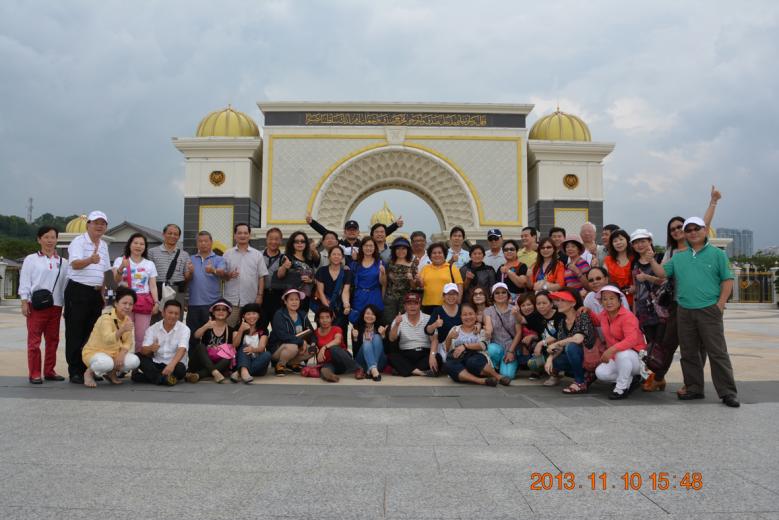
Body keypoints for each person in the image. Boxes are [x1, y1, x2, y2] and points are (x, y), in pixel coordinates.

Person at [648, 215, 739, 407]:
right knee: (688, 352)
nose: (692, 233)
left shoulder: (717, 254)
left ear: (705, 230)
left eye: (696, 228)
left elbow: (727, 279)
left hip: (709, 309)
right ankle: (694, 387)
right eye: (688, 230)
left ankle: (727, 392)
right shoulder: (679, 256)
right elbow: (663, 273)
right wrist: (651, 260)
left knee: (717, 352)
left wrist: (720, 304)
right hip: (684, 310)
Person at [643, 187, 720, 392]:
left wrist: (713, 201)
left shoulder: (698, 245)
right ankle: (659, 376)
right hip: (677, 304)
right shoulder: (671, 251)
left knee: (699, 346)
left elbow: (705, 223)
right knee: (669, 342)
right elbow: (662, 276)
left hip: (702, 302)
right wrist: (650, 271)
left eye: (680, 227)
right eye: (673, 229)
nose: (677, 230)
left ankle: (693, 383)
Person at [65, 210, 111, 384]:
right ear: (88, 225)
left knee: (92, 333)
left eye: (103, 223)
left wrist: (106, 293)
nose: (99, 226)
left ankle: (89, 370)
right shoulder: (79, 241)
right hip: (78, 290)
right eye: (96, 222)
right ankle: (75, 371)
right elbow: (75, 264)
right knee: (75, 331)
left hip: (96, 293)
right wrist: (90, 260)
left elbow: (106, 271)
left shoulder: (104, 245)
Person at [19, 225, 69, 383]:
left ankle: (49, 371)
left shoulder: (63, 262)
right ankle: (34, 373)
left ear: (57, 240)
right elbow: (25, 281)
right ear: (39, 239)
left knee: (53, 340)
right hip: (36, 306)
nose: (49, 240)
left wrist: (66, 305)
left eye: (53, 237)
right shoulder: (31, 259)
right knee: (34, 341)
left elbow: (65, 286)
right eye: (46, 237)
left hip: (56, 305)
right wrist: (24, 301)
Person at [80, 286, 141, 388]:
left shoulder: (127, 320)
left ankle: (111, 373)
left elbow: (128, 342)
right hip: (96, 352)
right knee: (105, 363)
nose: (127, 307)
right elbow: (108, 339)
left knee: (134, 361)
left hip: (114, 353)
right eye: (124, 303)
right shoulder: (106, 318)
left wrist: (122, 354)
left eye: (130, 304)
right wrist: (122, 330)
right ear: (116, 303)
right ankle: (89, 373)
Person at [594, 286, 647, 400]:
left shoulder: (628, 316)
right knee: (601, 373)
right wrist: (586, 310)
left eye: (612, 298)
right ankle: (630, 379)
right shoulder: (604, 315)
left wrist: (611, 350)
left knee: (621, 353)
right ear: (601, 302)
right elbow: (596, 321)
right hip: (617, 357)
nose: (608, 302)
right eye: (604, 299)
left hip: (637, 358)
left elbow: (631, 340)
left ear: (619, 300)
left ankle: (621, 389)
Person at [113, 233, 160, 352]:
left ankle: (139, 360)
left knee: (141, 335)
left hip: (143, 302)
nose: (138, 246)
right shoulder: (120, 260)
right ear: (130, 244)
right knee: (123, 332)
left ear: (145, 247)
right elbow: (116, 280)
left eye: (142, 244)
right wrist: (121, 267)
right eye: (135, 243)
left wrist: (156, 302)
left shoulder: (149, 264)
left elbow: (153, 286)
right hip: (125, 301)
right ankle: (121, 359)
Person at [542, 290, 596, 394]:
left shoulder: (582, 316)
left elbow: (578, 339)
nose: (558, 303)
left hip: (589, 357)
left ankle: (580, 382)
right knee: (555, 361)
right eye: (558, 300)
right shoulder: (563, 322)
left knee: (571, 347)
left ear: (573, 303)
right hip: (575, 356)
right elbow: (560, 346)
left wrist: (556, 343)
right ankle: (584, 375)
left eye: (563, 300)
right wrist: (550, 358)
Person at [444, 303, 510, 386]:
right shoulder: (455, 329)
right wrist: (449, 337)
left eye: (471, 314)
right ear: (461, 316)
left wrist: (465, 346)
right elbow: (447, 349)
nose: (468, 317)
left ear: (476, 315)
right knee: (449, 364)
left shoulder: (481, 330)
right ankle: (481, 381)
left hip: (475, 358)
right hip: (458, 361)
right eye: (465, 315)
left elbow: (484, 345)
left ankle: (498, 376)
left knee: (472, 361)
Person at [222, 223, 269, 328]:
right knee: (229, 328)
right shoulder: (227, 254)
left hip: (250, 301)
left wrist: (260, 296)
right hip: (231, 301)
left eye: (245, 233)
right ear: (235, 235)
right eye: (239, 233)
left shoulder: (257, 255)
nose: (242, 235)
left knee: (249, 330)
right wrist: (228, 275)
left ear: (249, 235)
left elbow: (261, 277)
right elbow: (222, 276)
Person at [185, 231, 226, 349]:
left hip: (212, 304)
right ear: (197, 243)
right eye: (200, 241)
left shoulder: (219, 259)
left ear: (211, 242)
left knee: (211, 337)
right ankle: (193, 359)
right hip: (194, 304)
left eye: (206, 241)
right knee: (193, 336)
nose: (203, 243)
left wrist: (213, 270)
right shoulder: (190, 259)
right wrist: (190, 273)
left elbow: (222, 273)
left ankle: (210, 360)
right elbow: (186, 279)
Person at [135, 300, 189, 385]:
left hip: (175, 365)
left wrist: (171, 365)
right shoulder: (152, 329)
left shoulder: (184, 329)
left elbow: (182, 349)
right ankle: (165, 379)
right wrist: (150, 348)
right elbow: (143, 350)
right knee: (137, 357)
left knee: (180, 369)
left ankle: (152, 377)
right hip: (157, 363)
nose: (173, 316)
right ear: (163, 313)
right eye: (170, 312)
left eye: (176, 313)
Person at [387, 292, 440, 377]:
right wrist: (396, 324)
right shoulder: (399, 319)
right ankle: (420, 372)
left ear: (420, 305)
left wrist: (432, 356)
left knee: (438, 358)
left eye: (415, 303)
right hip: (406, 353)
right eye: (409, 304)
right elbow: (392, 338)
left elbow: (434, 339)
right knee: (392, 357)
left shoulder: (428, 318)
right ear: (405, 306)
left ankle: (406, 370)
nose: (412, 306)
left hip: (424, 353)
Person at [147, 224, 191, 324]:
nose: (172, 236)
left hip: (177, 290)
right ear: (163, 234)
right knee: (157, 319)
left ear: (179, 237)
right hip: (158, 289)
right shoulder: (152, 252)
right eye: (169, 233)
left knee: (176, 319)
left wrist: (191, 272)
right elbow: (148, 274)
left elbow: (187, 277)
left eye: (175, 234)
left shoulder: (184, 254)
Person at [186, 298, 235, 384]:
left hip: (218, 362)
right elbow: (196, 336)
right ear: (213, 312)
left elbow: (233, 348)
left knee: (227, 359)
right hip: (202, 361)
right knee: (200, 346)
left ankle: (198, 375)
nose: (221, 311)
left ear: (228, 313)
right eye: (218, 309)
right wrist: (206, 326)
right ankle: (215, 372)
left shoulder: (231, 330)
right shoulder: (208, 325)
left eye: (224, 310)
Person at [267, 289, 315, 376]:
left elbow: (311, 332)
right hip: (278, 348)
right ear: (285, 301)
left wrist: (313, 343)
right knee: (292, 347)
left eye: (297, 299)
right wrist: (301, 341)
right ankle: (280, 365)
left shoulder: (302, 314)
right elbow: (282, 335)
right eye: (291, 299)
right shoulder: (279, 314)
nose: (294, 302)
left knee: (312, 350)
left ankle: (291, 364)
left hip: (296, 346)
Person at [630, 229, 665, 344]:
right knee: (650, 343)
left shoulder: (660, 258)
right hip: (643, 309)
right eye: (636, 242)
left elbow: (664, 281)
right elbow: (636, 290)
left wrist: (647, 277)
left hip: (661, 307)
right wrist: (635, 312)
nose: (639, 245)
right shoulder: (634, 263)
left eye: (642, 241)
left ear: (650, 241)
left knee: (662, 343)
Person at [485, 282, 525, 379]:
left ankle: (505, 365)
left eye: (503, 292)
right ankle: (497, 365)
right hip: (496, 347)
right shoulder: (488, 310)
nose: (500, 295)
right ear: (493, 296)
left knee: (507, 376)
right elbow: (488, 327)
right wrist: (488, 332)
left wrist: (511, 351)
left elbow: (519, 333)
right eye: (497, 293)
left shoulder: (514, 310)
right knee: (490, 349)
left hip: (511, 347)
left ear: (508, 295)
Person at [275, 230, 318, 313]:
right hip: (291, 298)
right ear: (292, 243)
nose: (300, 243)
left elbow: (315, 278)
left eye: (302, 241)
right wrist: (284, 266)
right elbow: (279, 276)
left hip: (305, 298)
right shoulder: (287, 257)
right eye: (296, 241)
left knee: (302, 318)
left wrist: (310, 280)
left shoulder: (309, 259)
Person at [314, 245, 352, 331]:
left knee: (340, 333)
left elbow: (345, 291)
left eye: (339, 254)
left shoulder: (347, 273)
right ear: (329, 256)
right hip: (324, 309)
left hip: (340, 309)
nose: (336, 256)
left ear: (342, 257)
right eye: (334, 254)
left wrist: (346, 304)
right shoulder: (322, 271)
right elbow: (320, 292)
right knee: (323, 334)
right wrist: (329, 310)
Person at [348, 237, 386, 324]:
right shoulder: (355, 264)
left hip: (374, 295)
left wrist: (383, 273)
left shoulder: (379, 263)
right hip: (359, 296)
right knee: (358, 323)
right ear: (361, 247)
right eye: (366, 245)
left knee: (375, 323)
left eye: (371, 246)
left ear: (375, 248)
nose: (368, 248)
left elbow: (383, 283)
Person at [417, 242, 463, 314]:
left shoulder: (452, 268)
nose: (437, 255)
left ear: (444, 255)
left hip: (447, 305)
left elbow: (459, 285)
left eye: (440, 253)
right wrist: (417, 279)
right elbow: (421, 285)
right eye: (434, 253)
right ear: (430, 256)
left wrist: (458, 301)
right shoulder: (425, 268)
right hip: (428, 306)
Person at [312, 307, 356, 382]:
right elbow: (313, 346)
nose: (325, 320)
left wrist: (324, 347)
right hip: (328, 362)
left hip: (342, 360)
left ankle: (357, 368)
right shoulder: (315, 332)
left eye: (327, 317)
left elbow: (337, 340)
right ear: (318, 319)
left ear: (332, 319)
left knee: (334, 349)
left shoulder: (336, 329)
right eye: (322, 318)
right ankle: (331, 376)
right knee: (325, 369)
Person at [231, 303, 271, 383]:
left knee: (267, 354)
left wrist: (253, 349)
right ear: (243, 316)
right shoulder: (238, 327)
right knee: (243, 347)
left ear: (259, 315)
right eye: (248, 314)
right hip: (241, 360)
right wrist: (241, 330)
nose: (251, 316)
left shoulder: (263, 329)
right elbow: (235, 345)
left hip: (258, 365)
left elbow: (262, 348)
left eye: (254, 313)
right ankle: (244, 373)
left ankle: (240, 372)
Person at [425, 283, 463, 368]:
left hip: (461, 344)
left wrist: (478, 324)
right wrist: (435, 324)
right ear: (443, 296)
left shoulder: (462, 308)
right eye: (448, 294)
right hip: (443, 347)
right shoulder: (438, 311)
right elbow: (427, 330)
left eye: (454, 294)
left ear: (457, 295)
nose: (451, 297)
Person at [383, 237, 417, 325]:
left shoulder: (412, 264)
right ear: (394, 250)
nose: (401, 251)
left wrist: (411, 279)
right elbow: (384, 283)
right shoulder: (389, 263)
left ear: (408, 250)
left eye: (403, 248)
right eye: (398, 248)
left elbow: (414, 287)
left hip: (405, 300)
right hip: (390, 299)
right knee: (389, 323)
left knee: (404, 324)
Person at [352, 304, 387, 381]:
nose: (370, 316)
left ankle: (371, 369)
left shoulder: (381, 327)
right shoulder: (357, 327)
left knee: (377, 337)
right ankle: (373, 370)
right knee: (367, 343)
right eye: (367, 313)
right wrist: (355, 338)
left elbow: (387, 350)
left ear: (376, 316)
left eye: (373, 314)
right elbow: (356, 351)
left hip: (380, 362)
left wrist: (383, 336)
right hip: (362, 363)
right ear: (363, 314)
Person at [261, 227, 286, 331]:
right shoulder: (258, 255)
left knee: (278, 327)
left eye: (276, 239)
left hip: (278, 297)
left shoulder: (284, 258)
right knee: (260, 326)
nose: (273, 242)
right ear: (266, 240)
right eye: (271, 239)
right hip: (261, 295)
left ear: (281, 241)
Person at [603, 229, 635, 306]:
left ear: (627, 240)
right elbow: (603, 279)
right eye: (615, 241)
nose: (618, 243)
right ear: (612, 244)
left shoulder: (635, 258)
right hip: (614, 301)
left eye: (621, 239)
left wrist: (635, 287)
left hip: (633, 299)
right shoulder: (608, 260)